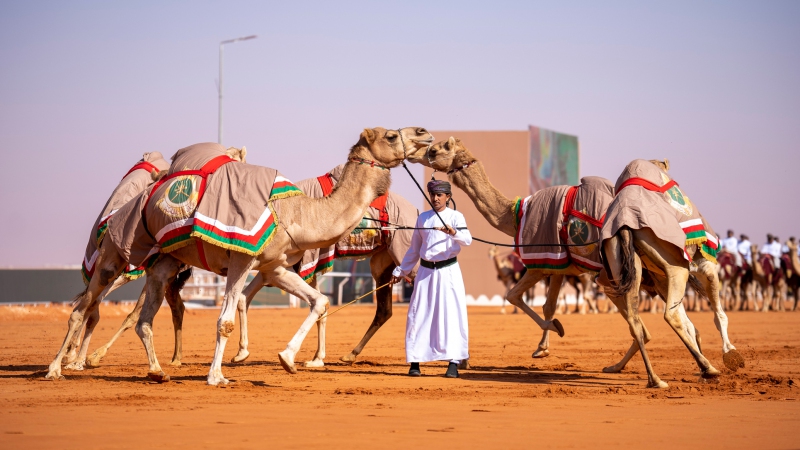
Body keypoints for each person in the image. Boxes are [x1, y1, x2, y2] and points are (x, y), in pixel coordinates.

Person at [390, 179, 471, 378]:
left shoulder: (456, 217)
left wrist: (453, 232)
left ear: (448, 197)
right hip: (425, 273)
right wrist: (400, 271)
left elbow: (467, 240)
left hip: (449, 273)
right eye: (433, 195)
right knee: (418, 315)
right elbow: (414, 250)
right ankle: (415, 362)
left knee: (451, 316)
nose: (435, 199)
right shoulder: (423, 219)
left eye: (440, 195)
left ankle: (453, 363)